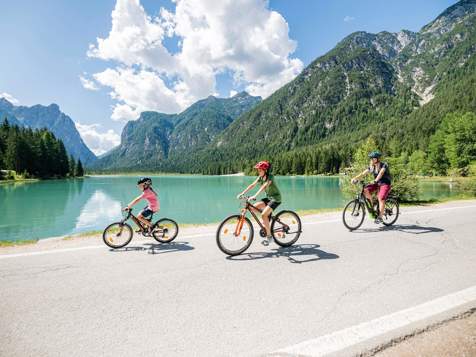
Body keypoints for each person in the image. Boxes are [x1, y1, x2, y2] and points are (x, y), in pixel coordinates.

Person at [236, 161, 282, 245]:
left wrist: (255, 195)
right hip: (268, 199)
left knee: (263, 215)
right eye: (258, 170)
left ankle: (269, 237)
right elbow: (252, 185)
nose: (258, 171)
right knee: (252, 208)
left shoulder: (270, 177)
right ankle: (268, 219)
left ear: (265, 170)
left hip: (275, 199)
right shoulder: (260, 177)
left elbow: (264, 186)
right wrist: (242, 193)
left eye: (260, 170)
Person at [351, 151, 392, 224]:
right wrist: (355, 178)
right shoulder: (372, 167)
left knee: (381, 198)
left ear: (377, 159)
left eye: (373, 158)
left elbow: (381, 173)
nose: (371, 160)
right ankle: (372, 205)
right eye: (371, 158)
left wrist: (375, 180)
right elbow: (363, 173)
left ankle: (380, 217)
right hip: (377, 183)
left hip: (385, 183)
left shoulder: (384, 165)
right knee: (365, 190)